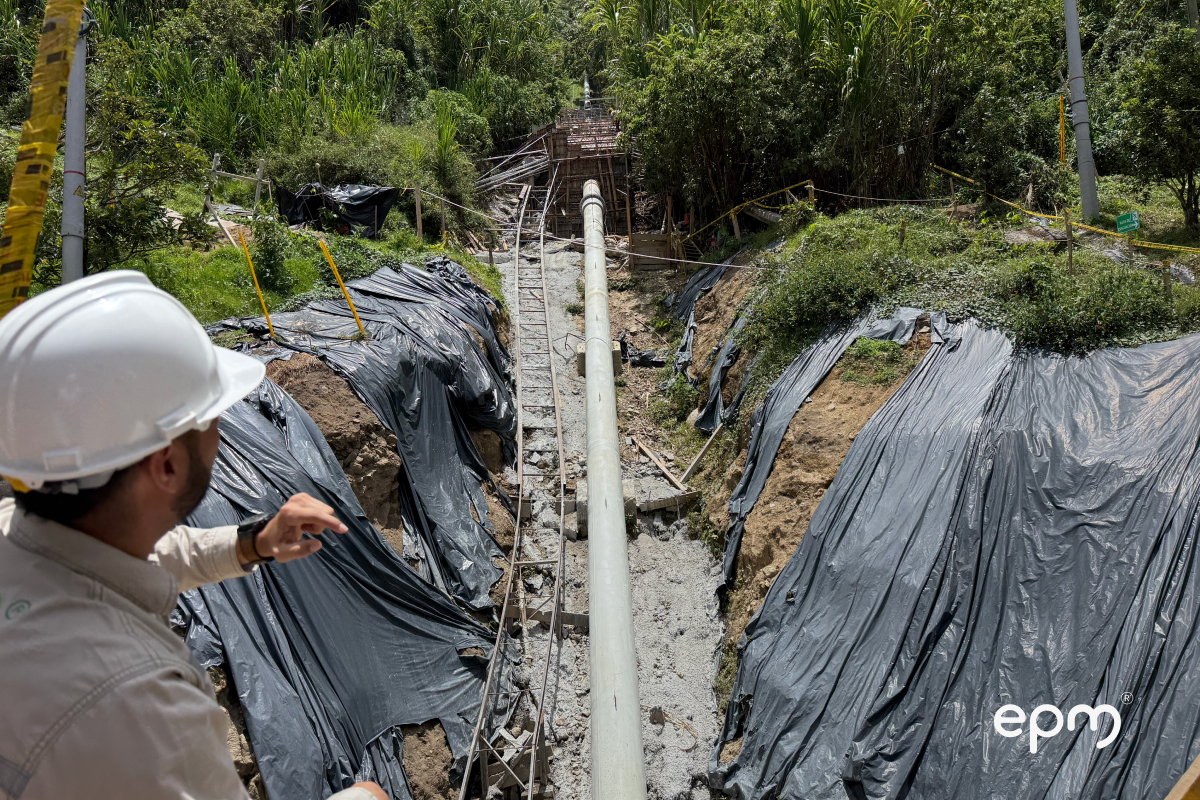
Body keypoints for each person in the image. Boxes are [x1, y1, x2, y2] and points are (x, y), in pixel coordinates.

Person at [0, 272, 389, 800]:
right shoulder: (144, 711)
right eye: (210, 417)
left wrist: (254, 542)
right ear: (165, 465)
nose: (220, 432)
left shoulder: (17, 533)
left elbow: (147, 558)